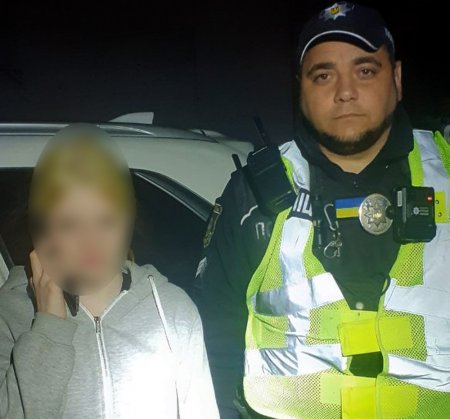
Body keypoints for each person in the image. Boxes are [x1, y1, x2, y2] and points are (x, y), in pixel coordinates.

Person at [193, 2, 450, 418]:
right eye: (324, 75)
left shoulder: (447, 172)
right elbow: (213, 345)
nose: (345, 91)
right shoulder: (251, 195)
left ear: (397, 78)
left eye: (365, 70)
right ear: (301, 89)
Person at [0, 125, 219, 419]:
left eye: (106, 220)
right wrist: (48, 328)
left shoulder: (173, 311)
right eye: (70, 223)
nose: (91, 242)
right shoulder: (9, 314)